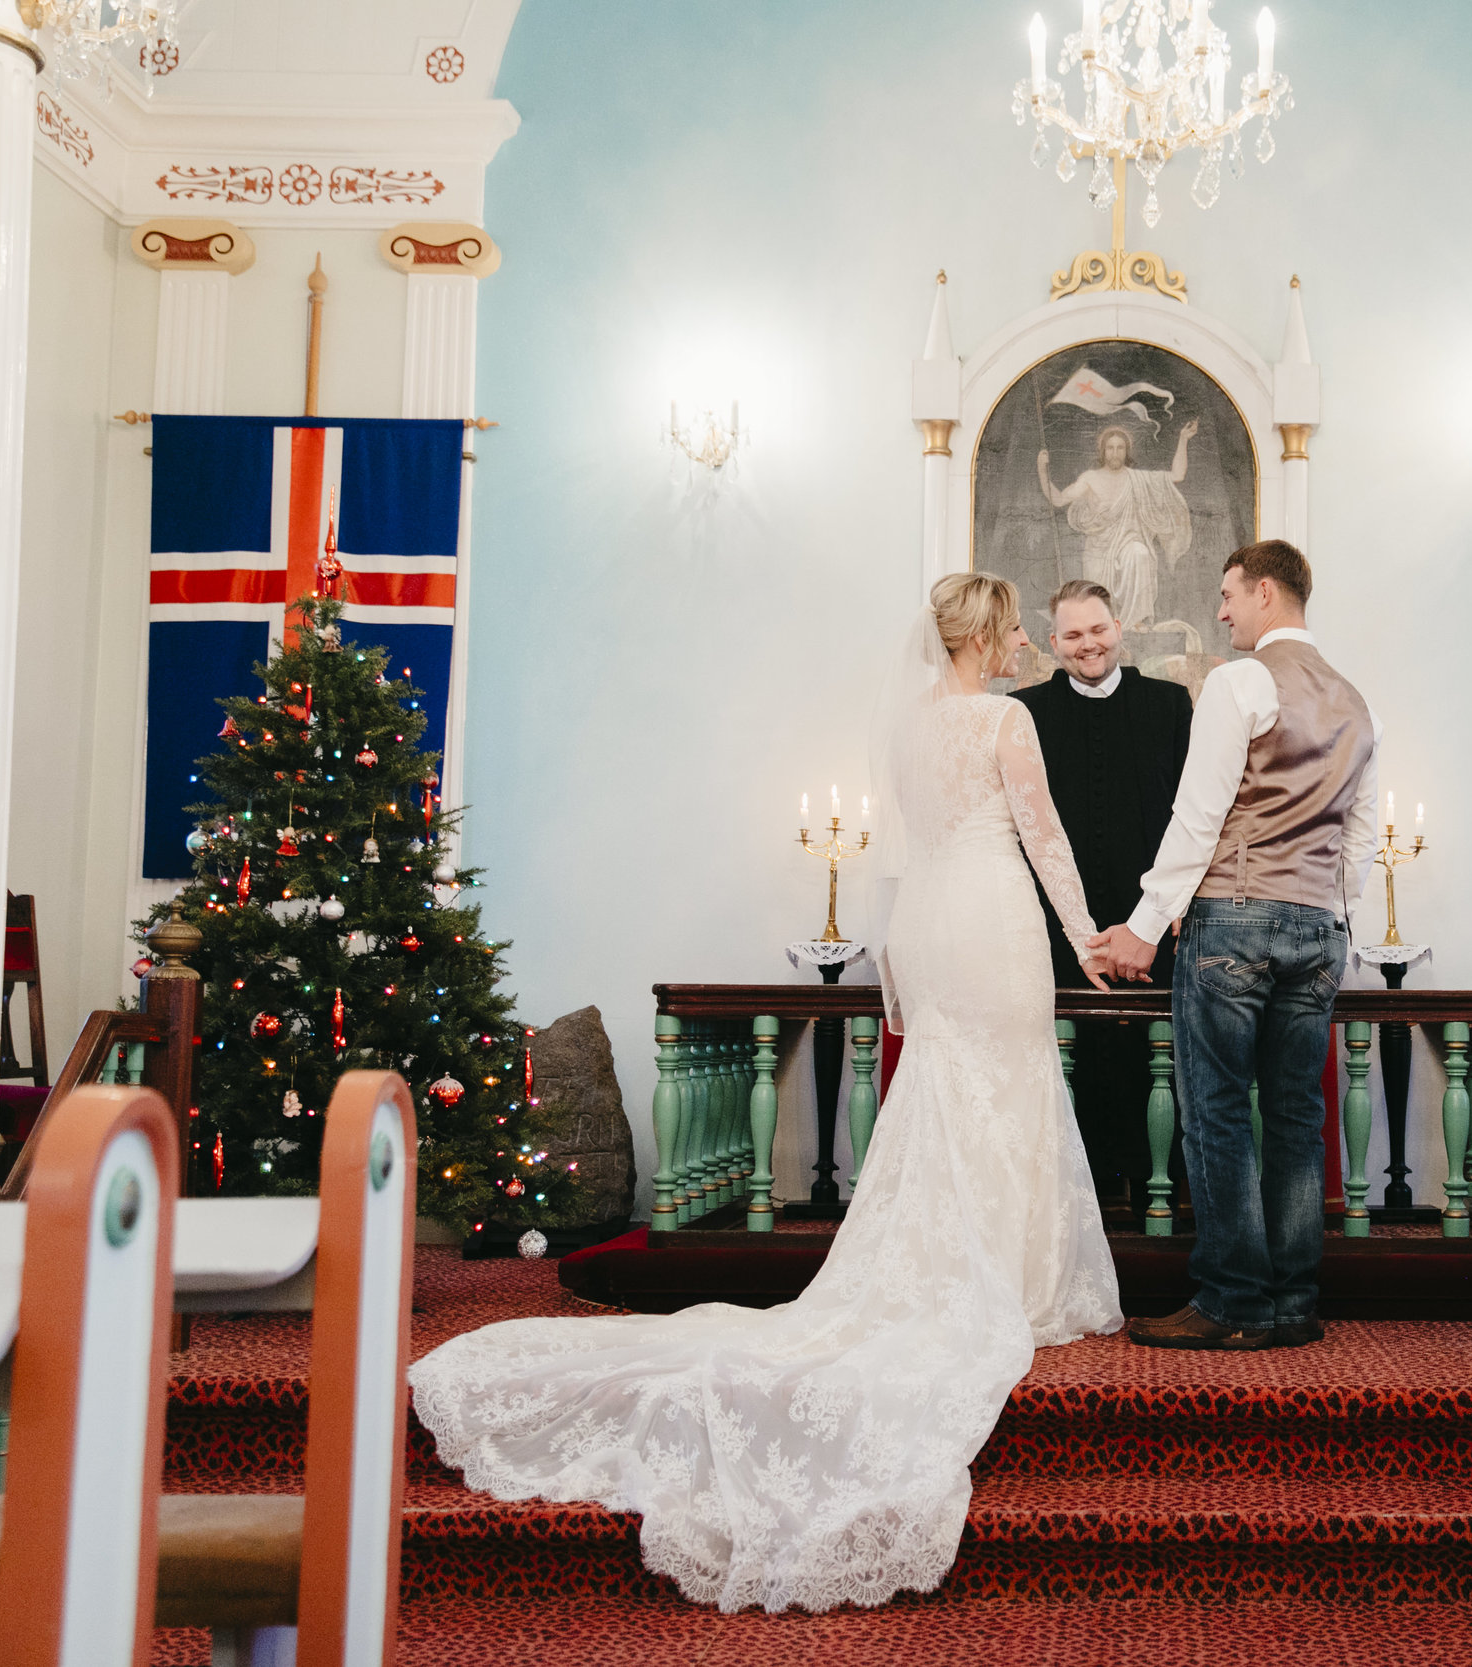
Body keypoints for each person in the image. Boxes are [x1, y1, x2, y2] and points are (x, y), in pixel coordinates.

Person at [409, 573, 1122, 1612]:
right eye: (1014, 623)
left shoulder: (909, 729)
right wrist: (1090, 941)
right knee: (1004, 1085)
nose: (1024, 639)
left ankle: (955, 1263)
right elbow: (1043, 837)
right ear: (983, 632)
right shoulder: (1004, 718)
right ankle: (1012, 1279)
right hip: (994, 916)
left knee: (939, 1087)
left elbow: (905, 853)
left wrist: (896, 969)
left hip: (926, 921)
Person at [1088, 540, 1377, 1351]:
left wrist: (1145, 929)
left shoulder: (1240, 681)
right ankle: (1292, 1302)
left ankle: (1233, 1301)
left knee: (1216, 1112)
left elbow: (1200, 814)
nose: (1220, 611)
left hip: (1235, 918)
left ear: (1264, 591)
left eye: (1227, 595)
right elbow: (1360, 842)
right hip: (1320, 928)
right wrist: (1337, 927)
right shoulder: (1359, 702)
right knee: (1294, 1114)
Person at [1010, 580, 1196, 1207]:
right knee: (1072, 1067)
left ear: (1119, 627)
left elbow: (1194, 818)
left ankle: (1157, 1201)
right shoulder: (1025, 711)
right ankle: (1075, 1208)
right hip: (1060, 931)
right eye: (1072, 635)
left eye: (1097, 630)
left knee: (1155, 1070)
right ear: (1054, 642)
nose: (1087, 645)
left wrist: (1167, 913)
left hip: (1153, 929)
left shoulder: (1170, 705)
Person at [1036, 419, 1198, 634]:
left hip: (1129, 543)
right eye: (1110, 448)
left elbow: (1177, 476)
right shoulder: (1091, 478)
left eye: (1120, 448)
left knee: (1139, 553)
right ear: (1103, 451)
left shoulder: (1138, 479)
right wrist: (1042, 470)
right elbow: (1058, 500)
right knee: (1095, 600)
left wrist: (1183, 439)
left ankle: (1135, 619)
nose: (1115, 453)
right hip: (1099, 550)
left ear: (1126, 451)